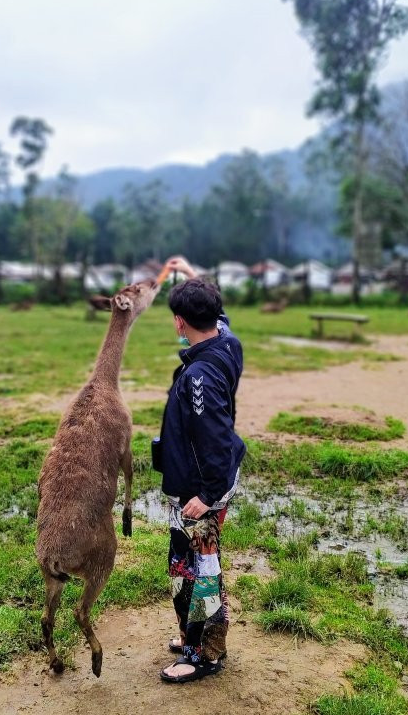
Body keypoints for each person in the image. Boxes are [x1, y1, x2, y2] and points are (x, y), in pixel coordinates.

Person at [157, 255, 246, 683]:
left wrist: (207, 496)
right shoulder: (227, 342)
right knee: (196, 566)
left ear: (179, 322)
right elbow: (221, 316)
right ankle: (196, 638)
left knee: (194, 571)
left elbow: (211, 438)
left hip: (202, 491)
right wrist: (194, 276)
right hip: (211, 482)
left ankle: (202, 654)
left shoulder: (200, 377)